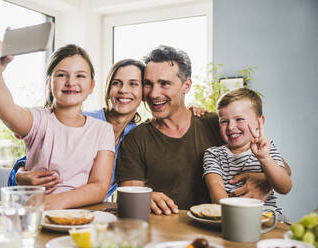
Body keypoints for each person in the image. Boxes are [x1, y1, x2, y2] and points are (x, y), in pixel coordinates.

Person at [116, 45, 286, 215]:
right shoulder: (136, 139)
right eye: (148, 84)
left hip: (217, 230)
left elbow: (281, 167)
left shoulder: (217, 124)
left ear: (186, 85)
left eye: (164, 84)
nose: (153, 94)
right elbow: (128, 195)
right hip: (165, 234)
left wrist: (265, 180)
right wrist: (146, 197)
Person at [0, 42, 115, 210]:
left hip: (80, 217)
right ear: (48, 83)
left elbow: (99, 187)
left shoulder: (102, 130)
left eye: (80, 76)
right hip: (35, 213)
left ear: (92, 86)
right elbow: (8, 111)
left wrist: (55, 201)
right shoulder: (39, 120)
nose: (71, 82)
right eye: (61, 75)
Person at [9, 59, 146, 200]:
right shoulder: (82, 120)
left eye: (133, 84)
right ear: (108, 88)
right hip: (51, 205)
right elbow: (31, 162)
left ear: (144, 92)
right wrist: (21, 175)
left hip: (94, 212)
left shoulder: (136, 136)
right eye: (116, 83)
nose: (123, 90)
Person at [203, 88, 292, 213]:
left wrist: (265, 159)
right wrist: (233, 216)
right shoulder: (213, 154)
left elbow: (285, 188)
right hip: (229, 217)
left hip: (267, 220)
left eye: (239, 119)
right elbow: (215, 188)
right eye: (224, 121)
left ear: (259, 122)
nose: (231, 127)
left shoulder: (266, 148)